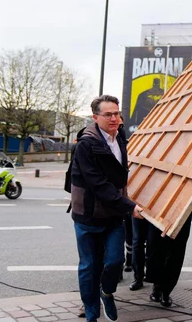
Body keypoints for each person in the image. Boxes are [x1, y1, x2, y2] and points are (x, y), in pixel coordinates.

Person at [70, 95, 144, 322]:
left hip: (113, 215)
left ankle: (107, 292)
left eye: (117, 113)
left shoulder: (120, 137)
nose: (115, 118)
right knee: (89, 268)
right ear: (95, 117)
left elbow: (120, 176)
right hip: (88, 216)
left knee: (115, 262)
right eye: (108, 114)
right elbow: (98, 184)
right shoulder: (86, 145)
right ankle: (92, 314)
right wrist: (129, 206)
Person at [146, 213, 192, 307]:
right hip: (161, 211)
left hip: (183, 212)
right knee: (156, 248)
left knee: (176, 252)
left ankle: (166, 291)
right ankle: (157, 286)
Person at [129, 216, 153, 291]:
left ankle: (153, 277)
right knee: (137, 241)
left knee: (153, 241)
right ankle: (138, 278)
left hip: (157, 208)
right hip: (138, 207)